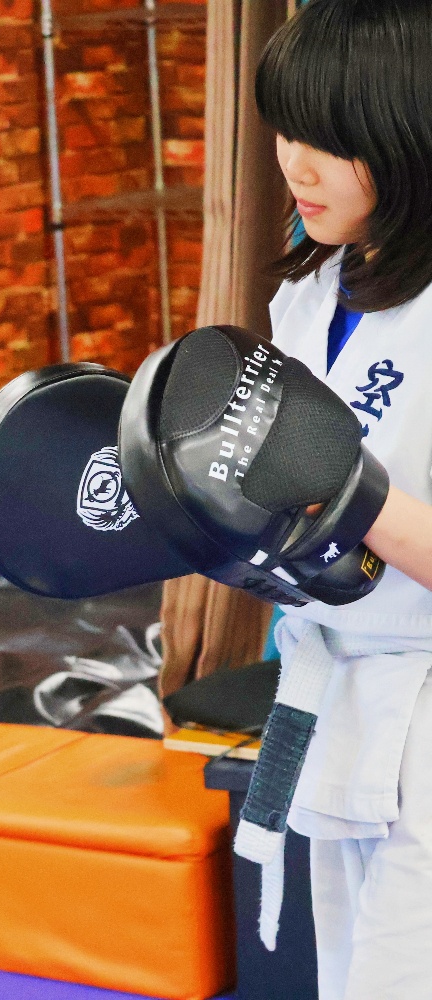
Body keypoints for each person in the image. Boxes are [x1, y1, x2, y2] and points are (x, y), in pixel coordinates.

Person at [244, 1, 432, 996]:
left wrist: (337, 485)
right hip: (329, 696)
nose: (295, 165)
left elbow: (326, 491)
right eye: (287, 130)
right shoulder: (311, 295)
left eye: (330, 141)